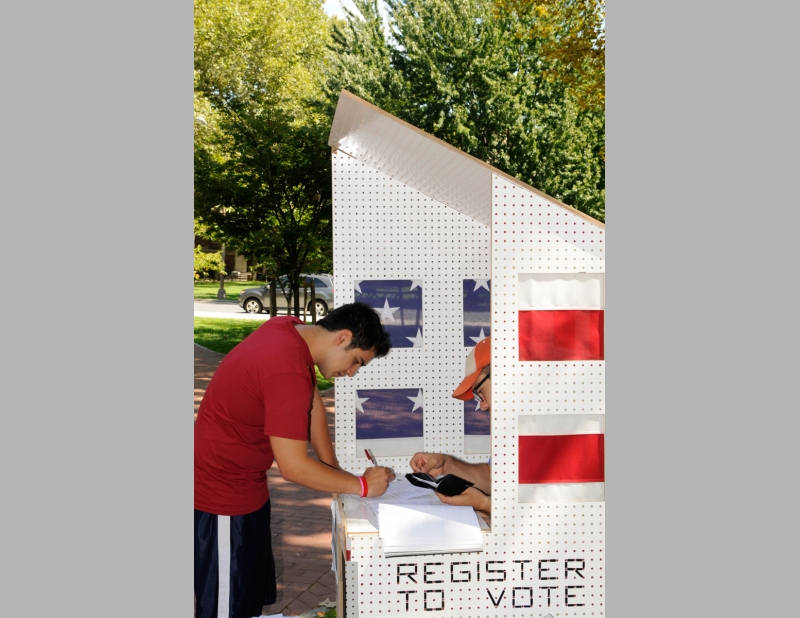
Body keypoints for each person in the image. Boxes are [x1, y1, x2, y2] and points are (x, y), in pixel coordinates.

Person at [195, 302, 396, 618]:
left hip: (246, 488)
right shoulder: (285, 366)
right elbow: (293, 467)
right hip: (222, 498)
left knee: (245, 601)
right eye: (356, 361)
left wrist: (333, 470)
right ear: (343, 338)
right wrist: (362, 485)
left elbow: (311, 400)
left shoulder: (289, 330)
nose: (352, 372)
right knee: (228, 608)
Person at [409, 336, 493, 515]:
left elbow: (544, 512)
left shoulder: (541, 428)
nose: (483, 406)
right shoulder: (515, 427)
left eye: (480, 392)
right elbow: (495, 477)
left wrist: (484, 504)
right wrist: (447, 465)